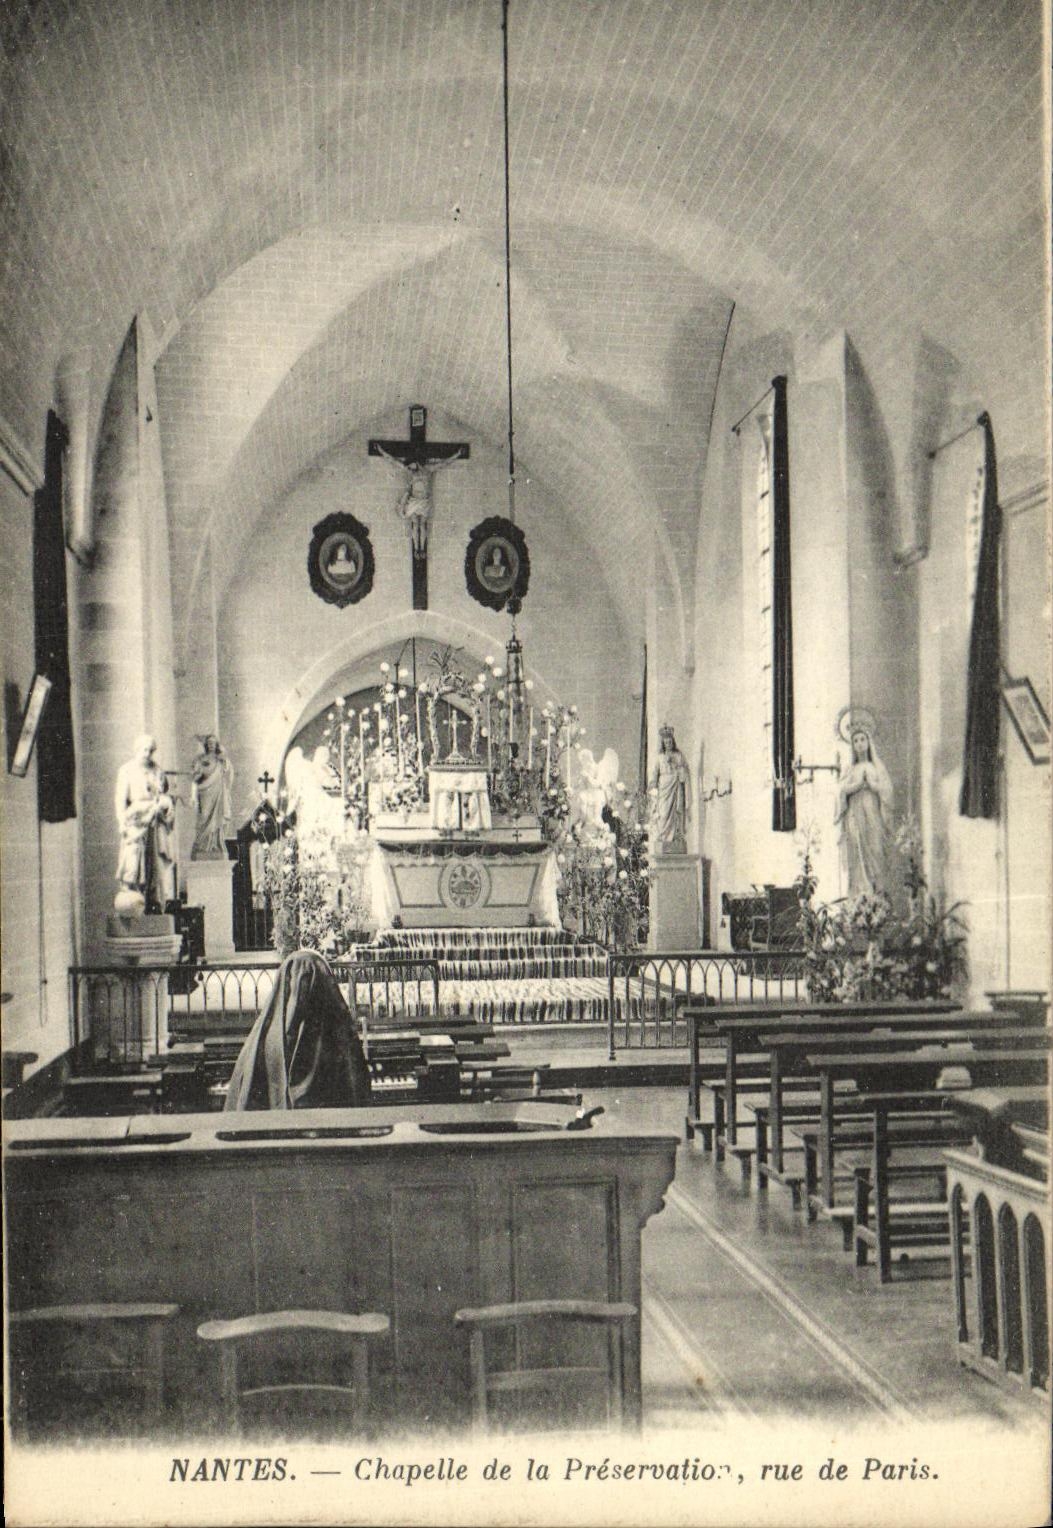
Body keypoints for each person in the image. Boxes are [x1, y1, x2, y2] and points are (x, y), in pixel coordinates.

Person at [224, 949, 373, 1110]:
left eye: (308, 983)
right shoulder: (265, 1039)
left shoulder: (337, 1036)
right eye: (296, 984)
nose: (301, 994)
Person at [114, 733, 176, 909]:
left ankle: (153, 901)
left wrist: (165, 804)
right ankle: (133, 897)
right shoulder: (127, 770)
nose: (147, 754)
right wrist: (121, 822)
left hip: (155, 820)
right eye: (144, 750)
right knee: (133, 861)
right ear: (137, 750)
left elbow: (163, 793)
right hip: (136, 819)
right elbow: (120, 799)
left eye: (150, 750)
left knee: (156, 862)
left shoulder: (157, 771)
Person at [834, 725, 894, 897]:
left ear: (868, 742)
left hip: (873, 814)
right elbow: (841, 790)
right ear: (852, 745)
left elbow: (887, 790)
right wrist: (858, 785)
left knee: (876, 850)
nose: (859, 744)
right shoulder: (850, 768)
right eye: (855, 741)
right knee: (858, 850)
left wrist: (873, 785)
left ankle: (877, 895)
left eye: (862, 739)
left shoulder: (876, 767)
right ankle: (861, 896)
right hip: (855, 815)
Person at [374, 443, 465, 554]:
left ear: (417, 461)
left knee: (422, 525)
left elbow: (444, 463)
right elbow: (393, 461)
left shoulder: (429, 469)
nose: (411, 465)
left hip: (424, 502)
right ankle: (416, 548)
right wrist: (381, 451)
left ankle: (421, 548)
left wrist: (457, 454)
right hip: (413, 501)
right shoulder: (411, 471)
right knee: (415, 525)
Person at [188, 733, 234, 859]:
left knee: (218, 818)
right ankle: (202, 846)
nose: (211, 745)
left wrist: (224, 760)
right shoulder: (201, 759)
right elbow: (194, 776)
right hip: (204, 792)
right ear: (206, 745)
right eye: (209, 743)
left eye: (213, 743)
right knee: (204, 817)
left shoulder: (221, 759)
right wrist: (197, 774)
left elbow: (228, 773)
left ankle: (216, 845)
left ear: (217, 744)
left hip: (218, 792)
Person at [648, 724, 690, 855]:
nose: (668, 744)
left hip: (676, 786)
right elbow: (655, 774)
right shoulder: (659, 757)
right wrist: (652, 785)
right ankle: (662, 836)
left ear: (673, 741)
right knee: (663, 812)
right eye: (666, 742)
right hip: (664, 788)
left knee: (676, 813)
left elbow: (685, 772)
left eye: (670, 741)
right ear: (663, 743)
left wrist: (679, 769)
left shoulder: (679, 755)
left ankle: (676, 837)